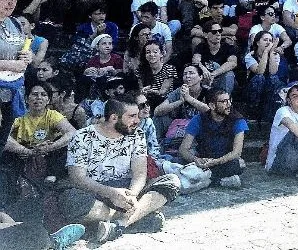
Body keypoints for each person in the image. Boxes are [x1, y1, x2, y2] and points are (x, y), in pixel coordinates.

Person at [60, 95, 180, 243]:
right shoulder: (82, 137)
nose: (137, 120)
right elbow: (78, 178)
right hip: (95, 191)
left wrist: (131, 196)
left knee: (171, 181)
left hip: (127, 189)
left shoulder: (137, 134)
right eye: (132, 116)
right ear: (114, 118)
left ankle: (119, 225)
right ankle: (139, 216)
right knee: (71, 201)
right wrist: (111, 193)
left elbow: (140, 173)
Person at [3, 82, 76, 183]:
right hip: (22, 154)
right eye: (34, 94)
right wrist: (26, 151)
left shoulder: (53, 115)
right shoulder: (19, 116)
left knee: (68, 144)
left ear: (48, 100)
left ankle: (53, 175)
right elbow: (3, 137)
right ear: (26, 98)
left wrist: (50, 147)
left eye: (43, 94)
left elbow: (72, 133)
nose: (39, 98)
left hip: (48, 154)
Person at [178, 88, 247, 188]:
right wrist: (196, 159)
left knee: (239, 164)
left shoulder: (237, 120)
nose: (229, 105)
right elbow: (183, 149)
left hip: (224, 160)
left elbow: (237, 153)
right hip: (203, 159)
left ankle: (205, 180)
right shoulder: (198, 119)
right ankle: (219, 182)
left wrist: (216, 161)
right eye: (224, 101)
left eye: (229, 100)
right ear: (212, 105)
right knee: (180, 162)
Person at [192, 21, 239, 94]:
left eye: (220, 31)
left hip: (223, 80)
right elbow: (195, 61)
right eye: (214, 32)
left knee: (229, 74)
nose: (218, 34)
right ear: (205, 35)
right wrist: (202, 68)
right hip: (206, 80)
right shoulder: (201, 47)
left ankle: (224, 101)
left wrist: (214, 74)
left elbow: (232, 63)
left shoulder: (229, 47)